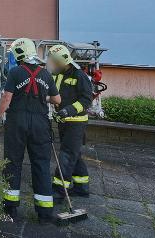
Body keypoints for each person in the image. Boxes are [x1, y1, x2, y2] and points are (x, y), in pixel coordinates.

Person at [0, 38, 61, 223]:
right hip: (40, 124)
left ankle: (10, 208)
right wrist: (43, 96)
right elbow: (57, 100)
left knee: (12, 162)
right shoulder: (46, 74)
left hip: (17, 122)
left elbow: (7, 98)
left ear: (19, 53)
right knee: (41, 164)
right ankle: (44, 213)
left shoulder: (15, 72)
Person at [47, 44, 94, 199]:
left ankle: (59, 190)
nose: (52, 64)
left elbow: (86, 99)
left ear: (62, 61)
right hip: (63, 121)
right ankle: (82, 187)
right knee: (74, 153)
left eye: (54, 61)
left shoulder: (79, 76)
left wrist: (69, 110)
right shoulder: (57, 73)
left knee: (66, 155)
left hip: (76, 122)